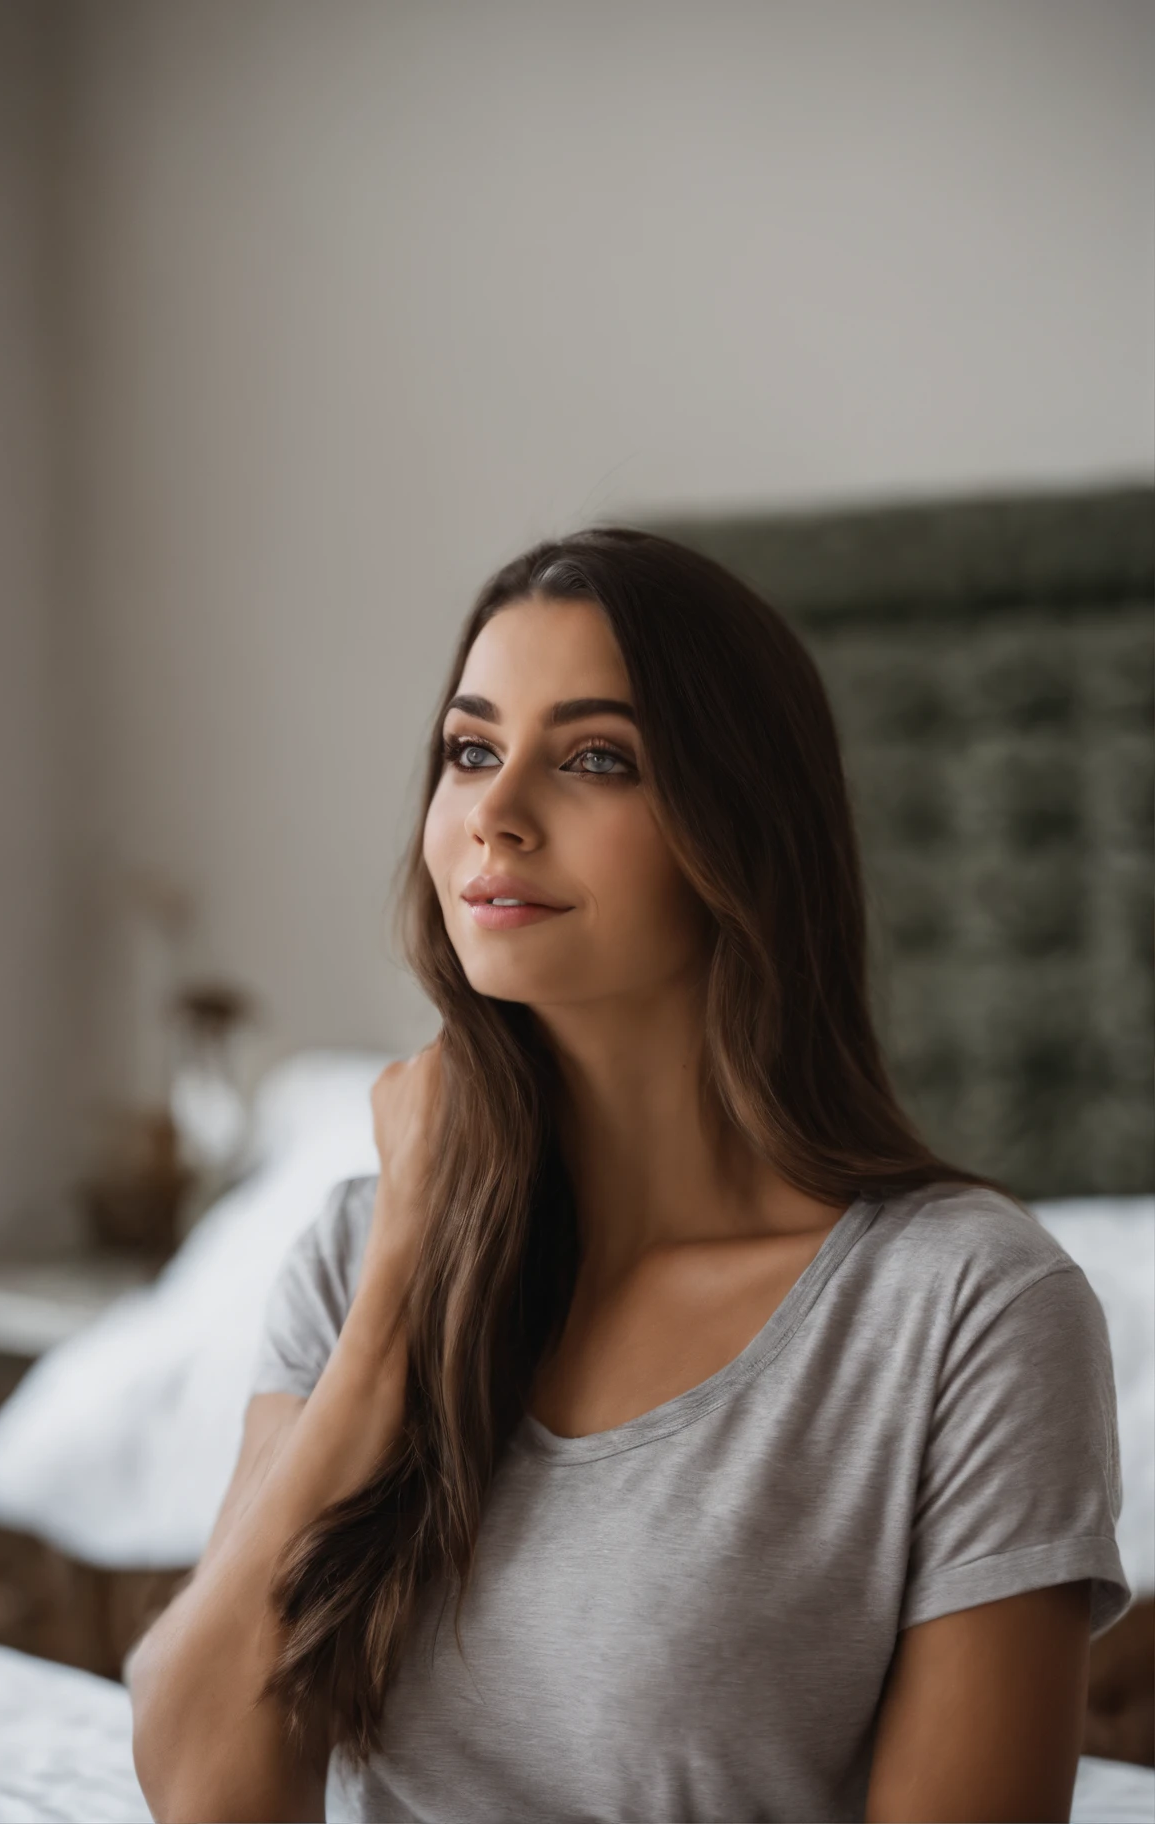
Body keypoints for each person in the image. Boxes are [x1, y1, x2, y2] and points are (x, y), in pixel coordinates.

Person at [128, 529, 1129, 1823]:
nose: (495, 811)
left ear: (740, 831)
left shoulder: (968, 1312)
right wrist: (395, 1298)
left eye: (595, 758)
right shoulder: (359, 1250)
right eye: (470, 751)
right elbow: (205, 1789)